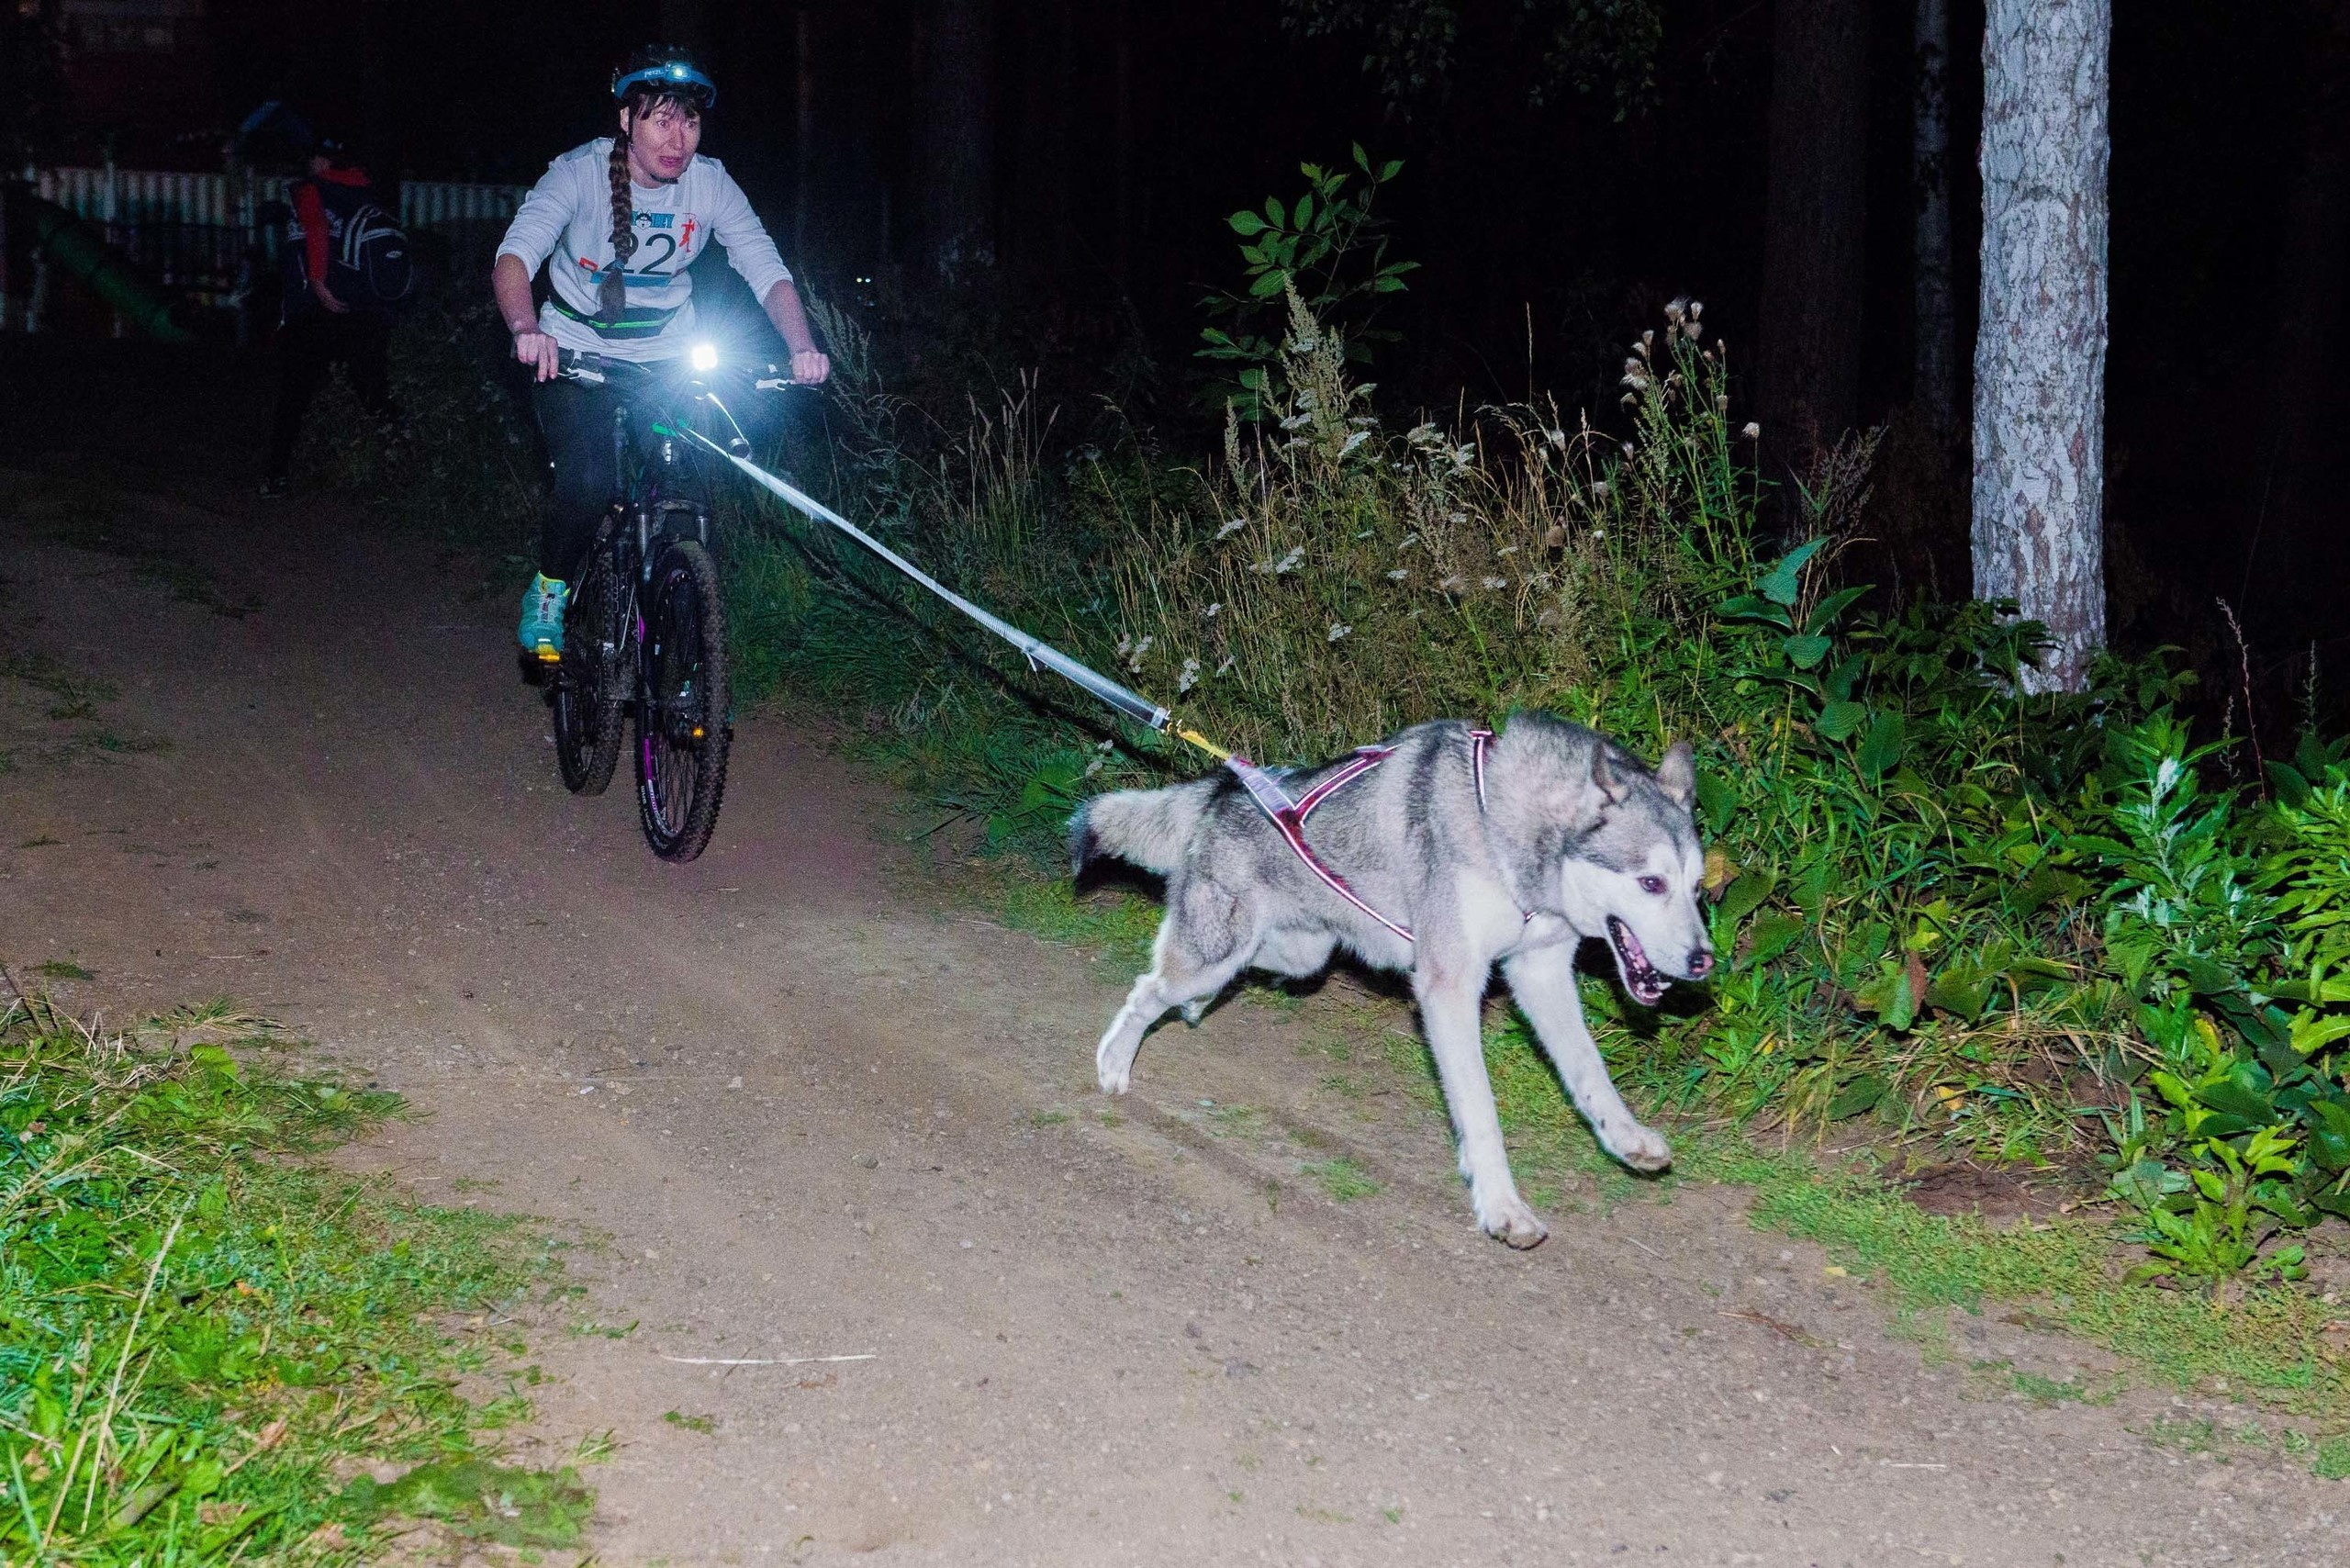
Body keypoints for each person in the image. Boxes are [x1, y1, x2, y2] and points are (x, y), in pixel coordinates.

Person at [491, 46, 830, 661]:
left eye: (691, 122)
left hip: (668, 356)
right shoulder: (577, 174)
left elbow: (765, 269)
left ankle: (687, 653)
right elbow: (515, 257)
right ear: (626, 120)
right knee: (589, 479)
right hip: (574, 353)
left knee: (684, 487)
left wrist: (801, 345)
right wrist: (524, 328)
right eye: (661, 120)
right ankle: (551, 588)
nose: (679, 138)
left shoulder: (711, 184)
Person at [262, 136, 398, 498]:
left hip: (313, 310)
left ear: (322, 163)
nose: (309, 165)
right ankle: (404, 464)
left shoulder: (312, 190)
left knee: (294, 394)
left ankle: (275, 475)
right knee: (372, 392)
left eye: (313, 159)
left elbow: (318, 231)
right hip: (360, 310)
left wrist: (319, 282)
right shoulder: (362, 192)